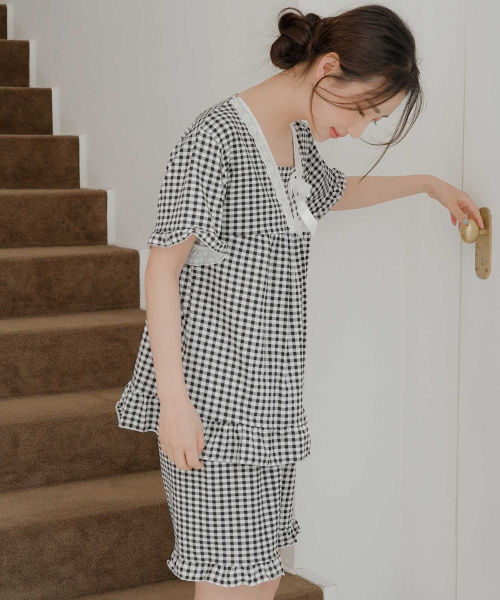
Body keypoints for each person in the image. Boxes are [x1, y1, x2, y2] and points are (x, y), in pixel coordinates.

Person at [116, 5, 483, 599]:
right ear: (328, 67)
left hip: (271, 402)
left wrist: (428, 185)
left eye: (375, 119)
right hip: (213, 402)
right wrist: (174, 406)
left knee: (262, 577)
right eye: (362, 110)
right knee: (230, 582)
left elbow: (330, 192)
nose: (359, 130)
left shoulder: (295, 138)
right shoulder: (214, 139)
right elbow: (162, 270)